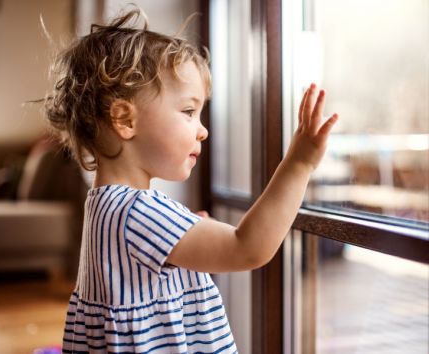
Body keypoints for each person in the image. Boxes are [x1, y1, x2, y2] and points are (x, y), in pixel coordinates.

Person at [44, 6, 338, 354]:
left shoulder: (107, 204)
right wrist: (299, 163)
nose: (203, 130)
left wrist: (183, 235)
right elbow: (248, 249)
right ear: (125, 120)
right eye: (188, 112)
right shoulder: (139, 211)